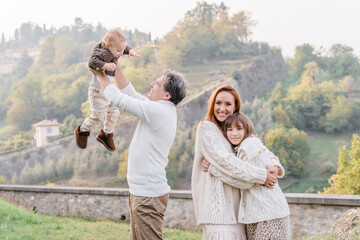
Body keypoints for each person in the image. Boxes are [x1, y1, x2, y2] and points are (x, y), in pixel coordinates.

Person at [95, 65, 187, 240]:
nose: (152, 84)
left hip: (148, 196)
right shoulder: (159, 109)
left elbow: (118, 99)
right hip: (142, 193)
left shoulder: (159, 111)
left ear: (167, 95)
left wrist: (98, 72)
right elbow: (130, 93)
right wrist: (116, 68)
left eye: (158, 83)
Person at [191, 84, 279, 239]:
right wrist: (262, 176)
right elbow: (227, 163)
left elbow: (259, 147)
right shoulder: (206, 128)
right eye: (218, 103)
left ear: (236, 107)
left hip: (240, 214)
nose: (222, 108)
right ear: (212, 104)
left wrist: (274, 166)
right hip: (218, 214)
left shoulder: (233, 131)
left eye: (228, 104)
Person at [209, 112, 291, 240]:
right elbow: (271, 156)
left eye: (239, 128)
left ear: (247, 129)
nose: (234, 133)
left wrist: (213, 168)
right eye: (230, 129)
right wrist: (275, 166)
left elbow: (243, 181)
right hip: (259, 213)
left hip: (267, 213)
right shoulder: (247, 144)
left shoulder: (248, 145)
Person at [74, 28, 140, 152]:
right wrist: (106, 65)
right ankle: (82, 131)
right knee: (98, 116)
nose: (120, 53)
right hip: (98, 91)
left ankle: (106, 134)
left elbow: (122, 46)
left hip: (108, 89)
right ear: (108, 46)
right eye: (118, 51)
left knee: (114, 112)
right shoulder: (103, 53)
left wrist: (130, 50)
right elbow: (92, 62)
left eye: (122, 50)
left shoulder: (112, 47)